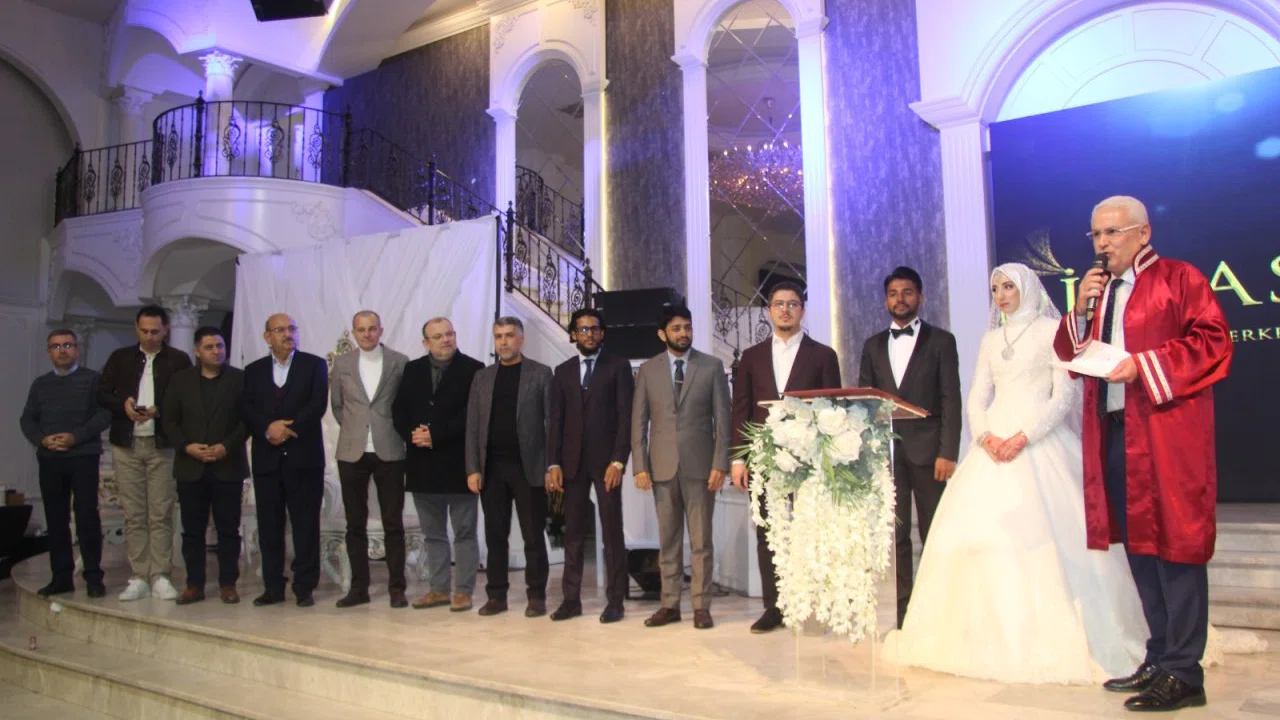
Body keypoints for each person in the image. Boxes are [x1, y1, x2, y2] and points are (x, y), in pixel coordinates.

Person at [887, 263, 1148, 684]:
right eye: (995, 289)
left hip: (1039, 442)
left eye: (1009, 286)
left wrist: (1024, 436)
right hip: (992, 445)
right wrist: (985, 435)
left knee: (1048, 542)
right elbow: (976, 396)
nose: (1002, 295)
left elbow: (1063, 397)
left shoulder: (1052, 331)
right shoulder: (991, 339)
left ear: (1026, 287)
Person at [1055, 196, 1232, 711]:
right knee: (1139, 547)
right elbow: (1069, 355)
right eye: (1096, 234)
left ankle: (1185, 672)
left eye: (1112, 232)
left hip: (1165, 434)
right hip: (1115, 434)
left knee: (1178, 546)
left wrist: (1143, 364)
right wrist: (1080, 310)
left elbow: (1214, 342)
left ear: (1143, 233)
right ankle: (1160, 655)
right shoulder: (1099, 291)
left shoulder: (1179, 279)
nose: (1102, 243)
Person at [729, 281, 841, 633]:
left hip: (809, 458)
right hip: (765, 458)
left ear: (802, 310)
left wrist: (830, 456)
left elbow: (832, 410)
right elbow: (741, 409)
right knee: (768, 533)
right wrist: (738, 458)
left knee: (811, 529)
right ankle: (774, 607)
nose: (785, 310)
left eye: (793, 304)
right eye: (779, 304)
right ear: (769, 310)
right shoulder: (751, 357)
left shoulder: (823, 355)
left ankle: (812, 603)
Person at [857, 266, 962, 628]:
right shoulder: (872, 345)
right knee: (897, 536)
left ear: (921, 297)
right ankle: (904, 616)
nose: (899, 299)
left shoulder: (942, 341)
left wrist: (948, 452)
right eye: (892, 294)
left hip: (931, 454)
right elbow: (865, 403)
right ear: (885, 300)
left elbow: (951, 399)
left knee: (934, 533)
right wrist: (870, 455)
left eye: (907, 292)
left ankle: (938, 612)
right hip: (888, 456)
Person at [631, 305, 730, 630]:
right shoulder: (648, 370)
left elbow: (723, 419)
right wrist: (639, 465)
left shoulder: (711, 366)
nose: (684, 333)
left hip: (701, 468)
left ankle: (701, 607)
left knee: (701, 542)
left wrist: (720, 463)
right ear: (663, 334)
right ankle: (669, 605)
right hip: (661, 468)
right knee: (668, 542)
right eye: (676, 328)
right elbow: (639, 421)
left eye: (687, 327)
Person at [98, 305, 193, 601]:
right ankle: (139, 575)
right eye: (144, 331)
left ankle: (161, 574)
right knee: (134, 513)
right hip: (126, 444)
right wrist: (123, 405)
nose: (150, 337)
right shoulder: (120, 358)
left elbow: (188, 399)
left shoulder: (178, 360)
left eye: (155, 331)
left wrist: (159, 410)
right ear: (136, 328)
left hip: (162, 445)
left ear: (166, 330)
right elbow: (102, 393)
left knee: (161, 512)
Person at [546, 308, 634, 624]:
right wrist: (553, 463)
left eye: (594, 329)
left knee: (611, 532)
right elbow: (555, 421)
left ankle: (615, 601)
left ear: (602, 333)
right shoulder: (562, 371)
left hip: (606, 462)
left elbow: (626, 418)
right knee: (572, 533)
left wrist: (618, 461)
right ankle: (571, 600)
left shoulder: (618, 366)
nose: (589, 334)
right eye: (582, 329)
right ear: (574, 335)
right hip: (571, 464)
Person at [464, 317, 553, 618]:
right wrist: (473, 468)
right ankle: (496, 595)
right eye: (499, 336)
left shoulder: (541, 374)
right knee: (495, 536)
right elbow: (473, 426)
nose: (504, 342)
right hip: (492, 470)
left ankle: (536, 596)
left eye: (509, 336)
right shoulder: (482, 377)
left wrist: (550, 466)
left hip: (529, 468)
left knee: (533, 536)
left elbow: (551, 423)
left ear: (521, 339)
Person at [393, 317, 484, 613]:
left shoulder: (474, 369)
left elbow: (473, 415)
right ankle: (438, 589)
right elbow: (398, 409)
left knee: (465, 533)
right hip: (422, 466)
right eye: (438, 336)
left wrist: (437, 434)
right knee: (433, 534)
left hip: (459, 465)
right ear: (426, 343)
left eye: (449, 334)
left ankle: (464, 592)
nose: (446, 340)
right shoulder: (413, 369)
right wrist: (413, 434)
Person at [240, 313, 329, 608]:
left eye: (291, 329)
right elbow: (247, 408)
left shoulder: (314, 365)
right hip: (267, 460)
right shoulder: (253, 371)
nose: (287, 334)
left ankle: (304, 586)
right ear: (267, 337)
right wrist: (268, 428)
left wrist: (287, 429)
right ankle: (273, 586)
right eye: (280, 330)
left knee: (305, 525)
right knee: (269, 526)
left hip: (304, 458)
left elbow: (317, 404)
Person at [20, 329, 112, 598]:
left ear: (77, 349)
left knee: (86, 516)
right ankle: (61, 577)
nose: (62, 351)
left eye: (67, 345)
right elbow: (27, 419)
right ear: (49, 352)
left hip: (83, 456)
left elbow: (104, 414)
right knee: (56, 519)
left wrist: (75, 437)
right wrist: (42, 440)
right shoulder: (40, 384)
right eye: (56, 346)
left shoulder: (93, 380)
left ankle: (93, 576)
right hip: (50, 458)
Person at [161, 327, 248, 605]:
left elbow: (247, 420)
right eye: (209, 347)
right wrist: (187, 446)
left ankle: (228, 584)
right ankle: (194, 584)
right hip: (191, 466)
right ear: (197, 351)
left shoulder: (239, 379)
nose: (216, 351)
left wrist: (226, 446)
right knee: (192, 531)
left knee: (228, 529)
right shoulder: (180, 381)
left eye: (220, 346)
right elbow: (169, 421)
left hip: (227, 465)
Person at [330, 310, 409, 609]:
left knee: (393, 522)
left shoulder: (399, 362)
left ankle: (397, 588)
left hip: (390, 449)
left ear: (381, 330)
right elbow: (338, 406)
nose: (367, 334)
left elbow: (404, 404)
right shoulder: (342, 364)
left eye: (372, 329)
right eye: (361, 330)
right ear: (354, 333)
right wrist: (357, 430)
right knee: (355, 524)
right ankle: (359, 588)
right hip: (352, 451)